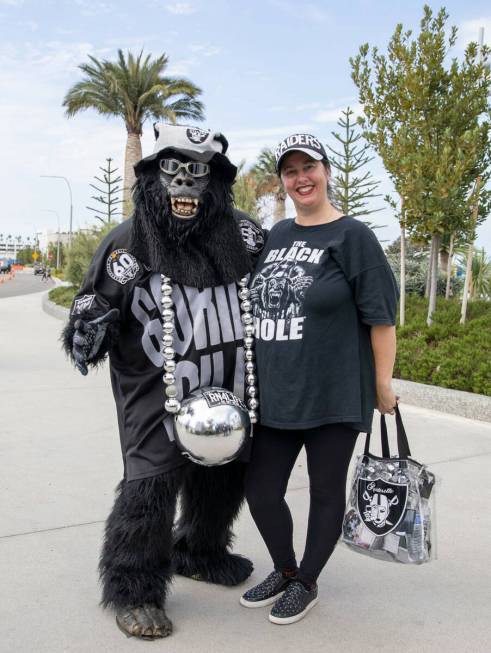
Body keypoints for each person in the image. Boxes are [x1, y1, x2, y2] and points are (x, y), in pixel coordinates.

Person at [62, 124, 266, 640]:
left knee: (224, 477)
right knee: (149, 486)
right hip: (158, 392)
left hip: (229, 392)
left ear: (216, 180)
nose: (185, 185)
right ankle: (134, 589)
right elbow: (91, 307)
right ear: (152, 177)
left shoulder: (243, 235)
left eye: (198, 172)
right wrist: (89, 331)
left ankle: (200, 550)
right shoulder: (129, 242)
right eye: (173, 170)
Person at [240, 133, 399, 625]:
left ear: (326, 171)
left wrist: (383, 384)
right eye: (290, 171)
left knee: (326, 492)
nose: (300, 178)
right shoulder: (278, 235)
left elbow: (382, 317)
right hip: (275, 392)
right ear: (283, 181)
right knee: (260, 490)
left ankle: (306, 581)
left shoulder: (354, 236)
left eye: (309, 167)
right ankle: (285, 569)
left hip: (331, 392)